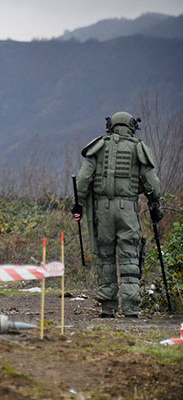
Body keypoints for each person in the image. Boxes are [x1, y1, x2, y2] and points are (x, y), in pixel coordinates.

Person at [73, 111, 162, 318]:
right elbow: (153, 185)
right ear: (131, 126)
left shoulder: (98, 146)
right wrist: (156, 203)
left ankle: (107, 308)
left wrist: (77, 205)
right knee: (129, 256)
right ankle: (131, 309)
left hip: (102, 210)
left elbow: (83, 180)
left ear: (110, 126)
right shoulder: (138, 147)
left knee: (105, 257)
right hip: (128, 209)